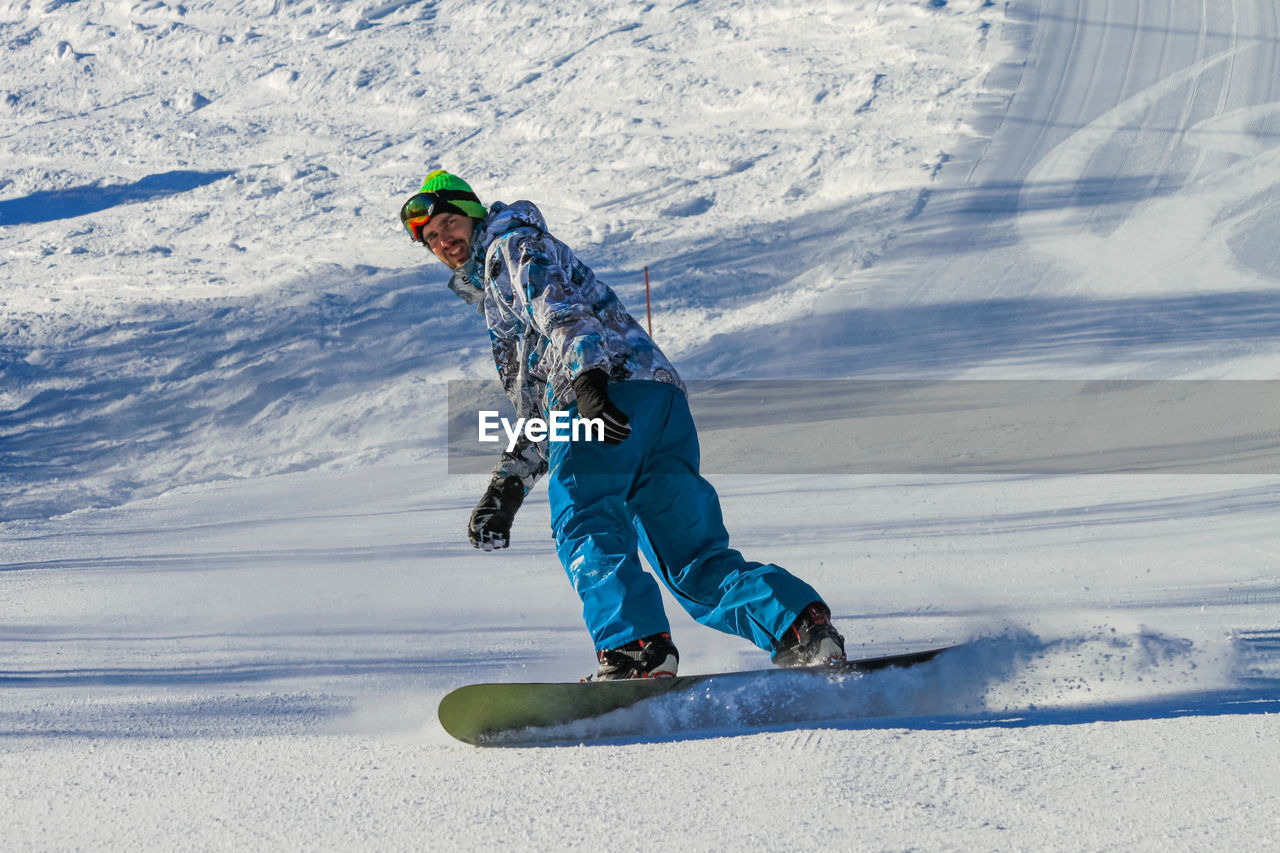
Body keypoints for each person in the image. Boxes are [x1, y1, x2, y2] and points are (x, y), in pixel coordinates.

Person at [401, 169, 846, 680]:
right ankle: (798, 626)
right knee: (690, 556)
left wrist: (589, 383)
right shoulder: (505, 274)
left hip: (598, 396)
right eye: (431, 239)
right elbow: (533, 405)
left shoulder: (509, 246)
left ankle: (636, 649)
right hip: (660, 403)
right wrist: (507, 486)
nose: (444, 241)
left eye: (451, 224)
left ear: (475, 215)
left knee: (587, 518)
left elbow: (562, 314)